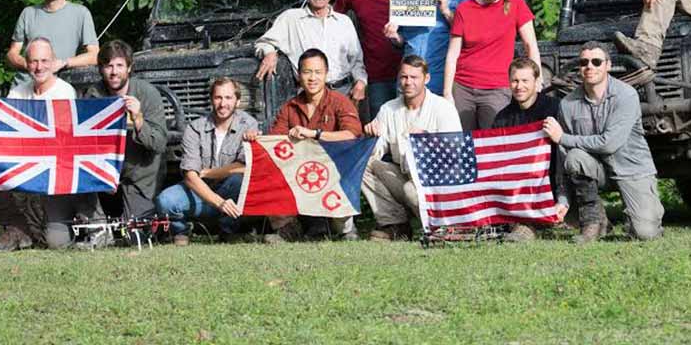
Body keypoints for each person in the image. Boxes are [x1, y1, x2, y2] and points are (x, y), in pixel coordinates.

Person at [0, 38, 90, 251]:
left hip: (54, 164)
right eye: (34, 61)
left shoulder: (64, 92)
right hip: (23, 156)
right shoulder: (18, 92)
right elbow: (0, 135)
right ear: (26, 64)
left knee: (53, 241)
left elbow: (62, 143)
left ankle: (40, 227)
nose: (39, 66)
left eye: (44, 60)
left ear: (53, 62)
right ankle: (15, 227)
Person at [543, 42, 664, 243]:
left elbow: (609, 143)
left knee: (645, 233)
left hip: (631, 169)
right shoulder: (568, 104)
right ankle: (595, 222)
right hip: (596, 168)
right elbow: (562, 155)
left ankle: (642, 217)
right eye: (584, 62)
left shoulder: (626, 95)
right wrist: (563, 199)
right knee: (574, 157)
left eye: (596, 62)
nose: (590, 67)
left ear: (607, 66)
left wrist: (563, 137)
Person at [250, 48, 363, 242]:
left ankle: (345, 228)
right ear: (298, 75)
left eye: (318, 72)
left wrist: (315, 134)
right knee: (268, 170)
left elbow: (353, 134)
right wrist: (256, 139)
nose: (312, 78)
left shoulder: (340, 102)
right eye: (307, 72)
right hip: (299, 174)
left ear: (326, 74)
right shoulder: (290, 106)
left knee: (339, 225)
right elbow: (274, 143)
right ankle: (287, 227)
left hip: (333, 172)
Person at [360, 55, 462, 241]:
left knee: (409, 189)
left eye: (414, 77)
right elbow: (377, 151)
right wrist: (370, 136)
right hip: (404, 173)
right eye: (404, 77)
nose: (408, 82)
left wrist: (427, 140)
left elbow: (456, 154)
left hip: (437, 182)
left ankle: (442, 228)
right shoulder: (388, 109)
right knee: (364, 164)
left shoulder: (443, 108)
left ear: (426, 79)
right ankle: (396, 225)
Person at [153, 77, 259, 245]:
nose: (223, 104)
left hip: (229, 190)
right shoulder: (195, 128)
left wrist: (209, 173)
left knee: (241, 183)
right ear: (211, 100)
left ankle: (229, 231)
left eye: (228, 98)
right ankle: (181, 231)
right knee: (165, 200)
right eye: (218, 98)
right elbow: (190, 176)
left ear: (238, 101)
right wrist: (220, 202)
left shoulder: (248, 125)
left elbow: (245, 168)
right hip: (200, 191)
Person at [443, 0, 541, 131]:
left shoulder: (516, 4)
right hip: (462, 87)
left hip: (497, 88)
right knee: (462, 143)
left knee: (495, 141)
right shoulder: (464, 9)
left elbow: (530, 45)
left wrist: (537, 79)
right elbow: (452, 55)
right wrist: (447, 93)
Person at [81, 40, 168, 221]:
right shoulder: (94, 95)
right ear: (101, 69)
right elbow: (86, 145)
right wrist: (104, 176)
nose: (114, 72)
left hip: (140, 176)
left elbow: (159, 144)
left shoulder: (147, 94)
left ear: (129, 68)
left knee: (135, 232)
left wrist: (138, 118)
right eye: (109, 66)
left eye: (120, 65)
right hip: (106, 174)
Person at [333, 0, 417, 119]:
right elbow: (332, 20)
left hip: (410, 70)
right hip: (377, 74)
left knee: (413, 127)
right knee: (382, 128)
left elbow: (426, 22)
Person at [254, 0, 366, 96]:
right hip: (308, 96)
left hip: (343, 92)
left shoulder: (344, 22)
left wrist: (360, 81)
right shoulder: (291, 19)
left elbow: (356, 59)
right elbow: (263, 43)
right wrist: (269, 53)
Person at [492, 58, 570, 242]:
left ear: (536, 82)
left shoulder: (556, 108)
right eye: (515, 81)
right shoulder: (502, 118)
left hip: (555, 178)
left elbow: (566, 149)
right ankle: (524, 224)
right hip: (520, 185)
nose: (519, 86)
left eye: (525, 81)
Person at [6, 0, 98, 78]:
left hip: (61, 86)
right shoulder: (28, 13)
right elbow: (12, 54)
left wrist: (63, 63)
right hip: (26, 85)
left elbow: (95, 55)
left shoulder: (81, 13)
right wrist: (30, 65)